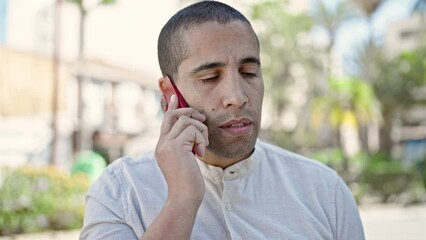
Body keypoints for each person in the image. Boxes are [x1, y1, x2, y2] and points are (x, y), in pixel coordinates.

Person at [80, 1, 365, 239]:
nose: (237, 96)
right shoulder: (120, 191)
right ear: (170, 93)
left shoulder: (324, 190)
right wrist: (182, 200)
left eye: (249, 72)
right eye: (210, 78)